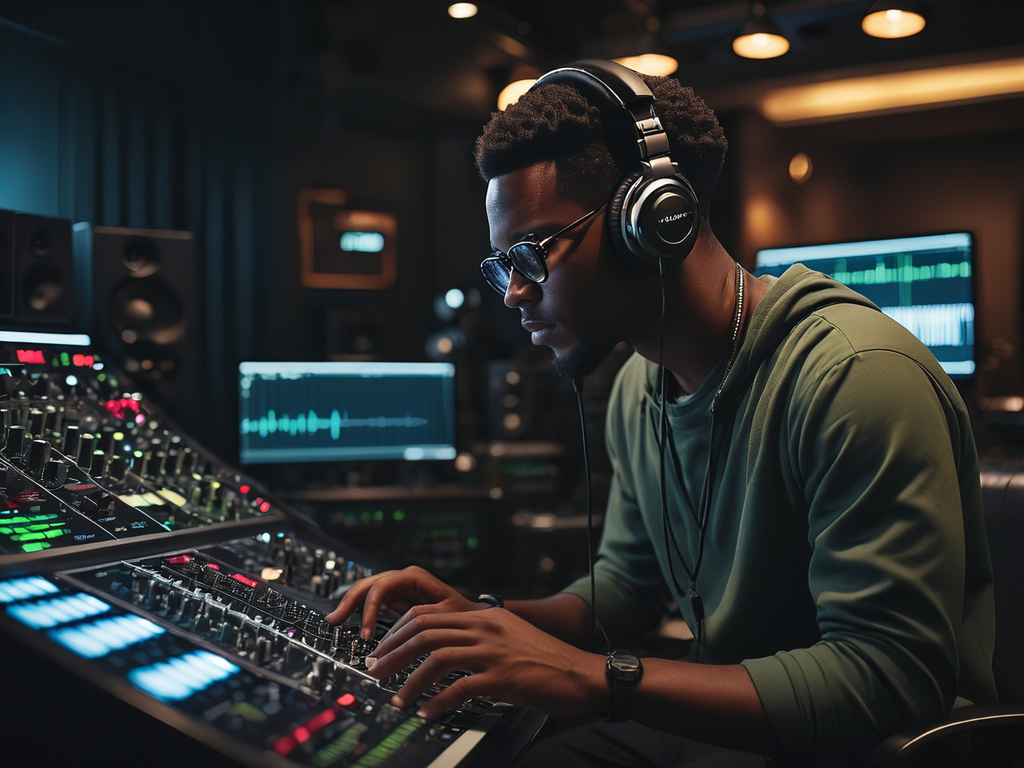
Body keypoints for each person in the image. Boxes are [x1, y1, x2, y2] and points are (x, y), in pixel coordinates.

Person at [326, 60, 997, 766]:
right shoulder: (635, 387)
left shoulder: (857, 376)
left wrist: (591, 678)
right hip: (730, 726)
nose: (515, 293)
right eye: (503, 265)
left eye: (531, 252)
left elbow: (889, 681)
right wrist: (481, 620)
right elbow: (625, 587)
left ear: (652, 221)